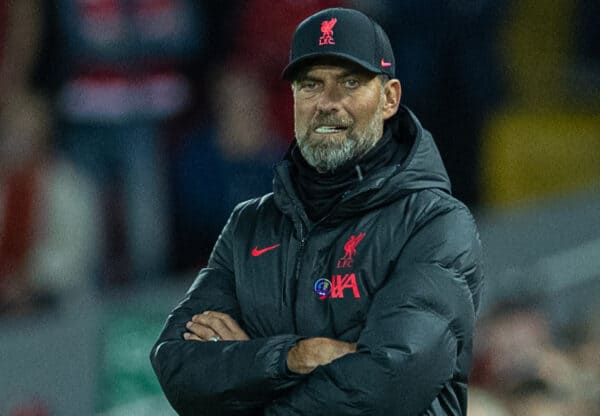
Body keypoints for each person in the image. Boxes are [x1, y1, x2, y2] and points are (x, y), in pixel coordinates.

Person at [150, 7, 484, 415]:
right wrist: (294, 356)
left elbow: (388, 383)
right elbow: (176, 365)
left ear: (389, 98)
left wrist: (248, 365)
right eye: (311, 84)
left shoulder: (435, 223)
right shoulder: (250, 225)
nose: (328, 103)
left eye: (349, 83)